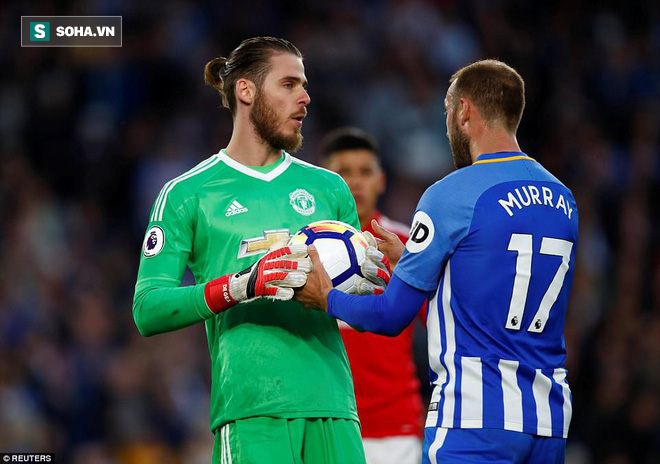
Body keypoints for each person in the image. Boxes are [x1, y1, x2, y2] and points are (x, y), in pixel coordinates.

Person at [297, 59, 578, 464]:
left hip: (474, 420)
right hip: (549, 420)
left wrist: (327, 298)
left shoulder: (451, 194)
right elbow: (493, 298)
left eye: (447, 110)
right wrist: (415, 260)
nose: (447, 123)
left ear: (464, 111)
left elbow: (390, 316)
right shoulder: (563, 198)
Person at [132, 37, 387, 464]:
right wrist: (242, 286)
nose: (305, 97)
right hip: (251, 413)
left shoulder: (330, 188)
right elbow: (148, 308)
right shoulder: (187, 194)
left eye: (304, 85)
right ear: (245, 91)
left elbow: (360, 318)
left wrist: (379, 281)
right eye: (288, 84)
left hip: (335, 408)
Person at [319, 127, 424, 464]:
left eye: (365, 172)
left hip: (394, 429)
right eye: (343, 173)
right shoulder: (305, 248)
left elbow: (442, 324)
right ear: (325, 182)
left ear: (381, 180)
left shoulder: (407, 246)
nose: (355, 183)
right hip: (325, 421)